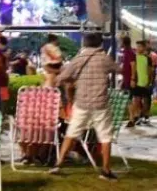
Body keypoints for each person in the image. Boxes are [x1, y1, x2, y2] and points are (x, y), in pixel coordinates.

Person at [50, 30, 119, 181]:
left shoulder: (78, 59)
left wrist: (69, 82)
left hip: (81, 103)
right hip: (100, 103)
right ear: (99, 43)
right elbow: (117, 69)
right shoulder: (104, 58)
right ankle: (106, 170)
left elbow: (63, 77)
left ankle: (58, 164)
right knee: (105, 136)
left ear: (84, 43)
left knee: (71, 133)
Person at [129, 40, 153, 126]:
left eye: (140, 46)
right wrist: (133, 79)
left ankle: (144, 115)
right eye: (137, 47)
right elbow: (133, 70)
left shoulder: (148, 58)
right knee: (136, 100)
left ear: (144, 47)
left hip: (145, 82)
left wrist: (150, 81)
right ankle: (136, 117)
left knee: (146, 101)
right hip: (137, 82)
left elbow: (150, 71)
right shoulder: (134, 58)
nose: (138, 48)